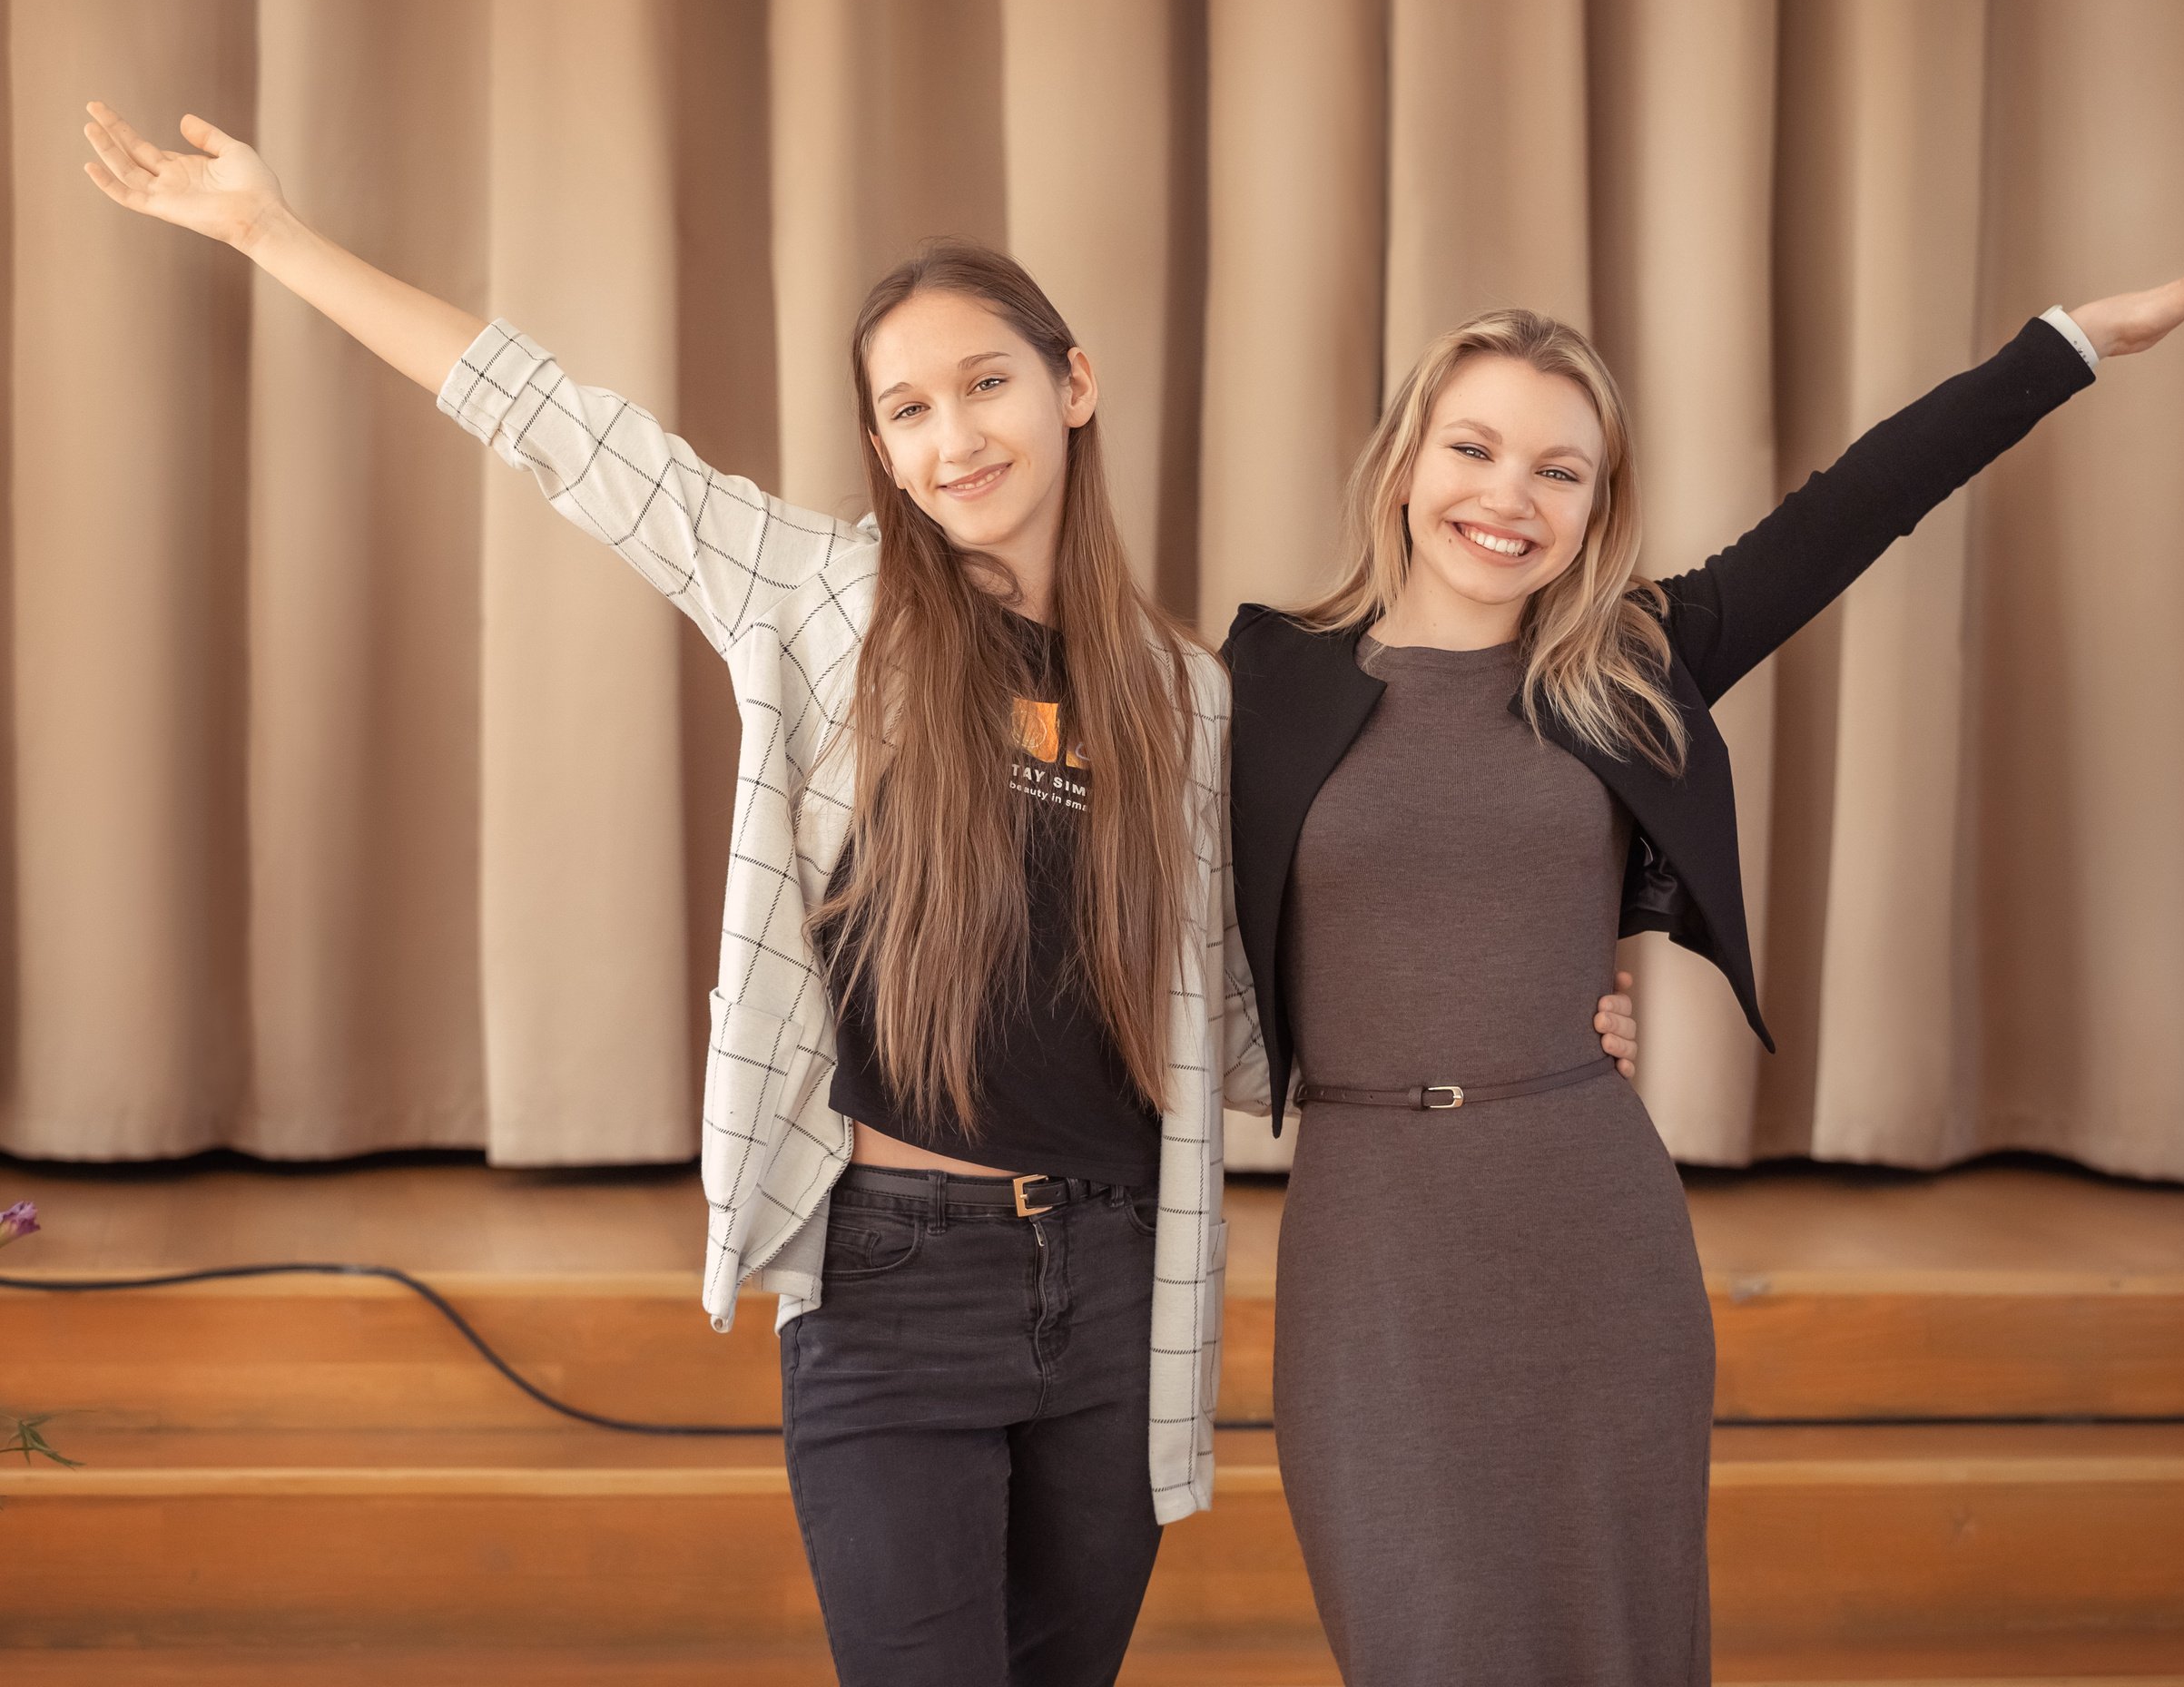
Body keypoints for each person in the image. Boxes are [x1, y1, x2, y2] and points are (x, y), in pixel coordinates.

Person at [77, 99, 1645, 1684]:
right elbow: (551, 421)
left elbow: (1249, 1009)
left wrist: (1534, 1008)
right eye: (906, 411)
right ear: (879, 450)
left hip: (1117, 1290)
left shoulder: (1186, 691)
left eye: (985, 385)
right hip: (894, 1279)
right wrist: (275, 236)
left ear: (1073, 386)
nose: (954, 437)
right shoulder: (819, 597)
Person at [1220, 249, 2184, 1684]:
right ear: (1402, 465)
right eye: (1475, 447)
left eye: (1559, 471)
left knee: (1618, 1647)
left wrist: (2065, 345)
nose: (1508, 497)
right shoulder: (1264, 675)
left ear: (1596, 509)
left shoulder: (1629, 661)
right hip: (1370, 1240)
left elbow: (1856, 508)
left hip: (1588, 1221)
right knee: (1417, 1637)